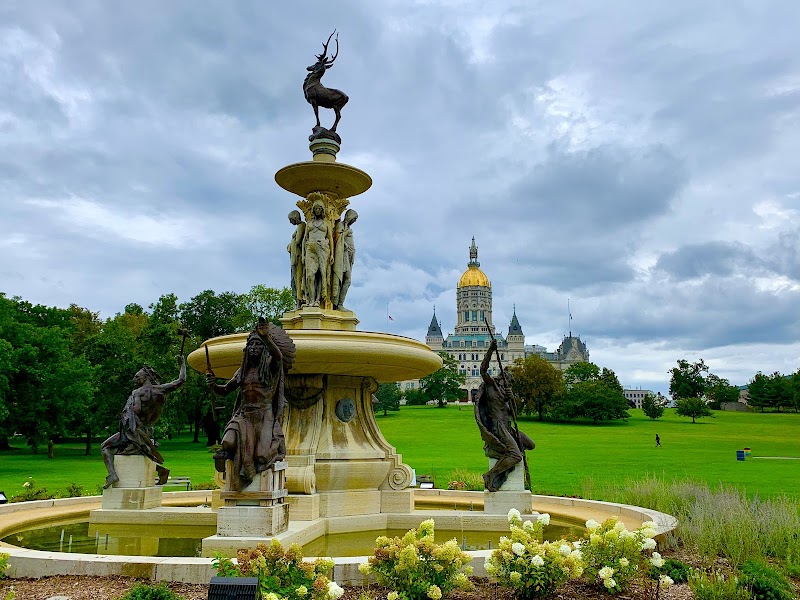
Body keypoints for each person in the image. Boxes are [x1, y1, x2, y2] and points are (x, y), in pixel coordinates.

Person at [206, 320, 294, 491]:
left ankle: (276, 444)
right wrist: (213, 385)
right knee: (227, 443)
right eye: (251, 344)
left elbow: (279, 357)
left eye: (258, 344)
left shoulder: (270, 368)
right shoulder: (242, 371)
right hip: (244, 416)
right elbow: (224, 391)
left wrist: (266, 337)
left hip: (264, 416)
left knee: (261, 455)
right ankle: (227, 456)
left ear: (264, 348)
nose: (254, 347)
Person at [101, 357, 186, 489]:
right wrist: (183, 365)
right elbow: (180, 381)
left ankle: (112, 475)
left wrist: (128, 411)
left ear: (145, 377)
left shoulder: (137, 392)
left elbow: (136, 409)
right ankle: (161, 470)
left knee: (105, 446)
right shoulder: (160, 390)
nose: (134, 379)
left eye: (137, 377)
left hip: (133, 429)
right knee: (139, 451)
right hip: (145, 430)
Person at [474, 339, 535, 492]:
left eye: (510, 382)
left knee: (530, 444)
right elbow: (482, 369)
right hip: (498, 427)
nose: (508, 384)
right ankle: (490, 474)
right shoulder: (491, 386)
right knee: (516, 455)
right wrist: (490, 349)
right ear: (501, 378)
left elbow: (514, 413)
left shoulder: (505, 393)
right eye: (507, 380)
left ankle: (505, 462)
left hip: (508, 426)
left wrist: (510, 398)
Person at [303, 198, 334, 307]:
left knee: (321, 275)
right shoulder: (309, 223)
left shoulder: (326, 224)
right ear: (313, 210)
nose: (317, 210)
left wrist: (332, 254)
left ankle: (317, 300)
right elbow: (304, 239)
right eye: (315, 208)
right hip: (310, 247)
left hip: (323, 248)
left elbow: (330, 238)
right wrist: (303, 254)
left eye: (319, 209)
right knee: (310, 275)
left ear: (322, 210)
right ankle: (310, 299)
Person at [332, 209, 357, 310]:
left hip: (349, 255)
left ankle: (340, 303)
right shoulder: (341, 225)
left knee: (347, 281)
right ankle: (337, 304)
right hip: (342, 256)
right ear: (349, 216)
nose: (354, 221)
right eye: (354, 218)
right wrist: (347, 232)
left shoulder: (347, 227)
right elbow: (337, 237)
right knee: (341, 279)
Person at [287, 210, 306, 309]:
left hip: (298, 256)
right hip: (295, 256)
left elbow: (298, 240)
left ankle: (299, 302)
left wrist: (291, 244)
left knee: (298, 279)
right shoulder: (299, 226)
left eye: (291, 219)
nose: (290, 222)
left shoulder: (302, 225)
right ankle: (298, 301)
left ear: (295, 217)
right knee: (294, 280)